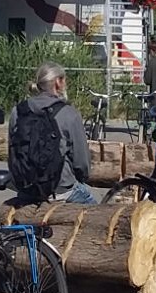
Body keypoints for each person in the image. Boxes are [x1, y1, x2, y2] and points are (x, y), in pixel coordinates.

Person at [7, 62, 95, 205]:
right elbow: (81, 161)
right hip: (61, 189)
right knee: (97, 214)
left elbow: (12, 151)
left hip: (27, 188)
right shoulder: (69, 113)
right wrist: (82, 177)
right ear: (58, 83)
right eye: (64, 79)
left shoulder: (18, 111)